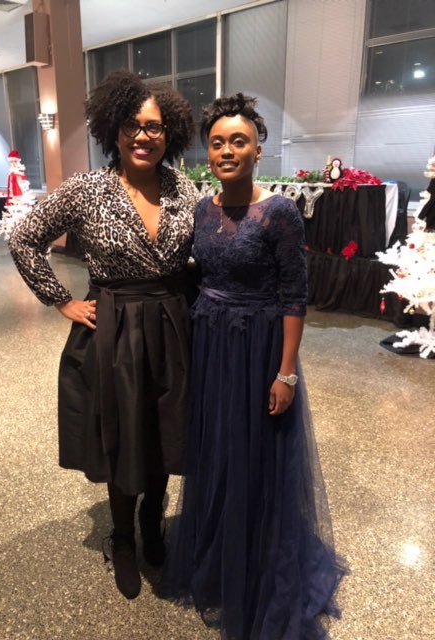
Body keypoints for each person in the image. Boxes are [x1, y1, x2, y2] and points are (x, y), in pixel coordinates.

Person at [9, 71, 199, 601]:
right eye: (132, 125)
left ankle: (152, 525)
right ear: (113, 129)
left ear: (169, 134)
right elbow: (25, 238)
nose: (143, 136)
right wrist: (61, 300)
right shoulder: (87, 189)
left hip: (172, 323)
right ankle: (122, 536)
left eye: (154, 127)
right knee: (124, 431)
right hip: (115, 328)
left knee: (166, 429)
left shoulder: (183, 188)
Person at [164, 94, 346, 639]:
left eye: (238, 141)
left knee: (257, 455)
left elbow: (295, 296)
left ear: (258, 151)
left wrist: (286, 372)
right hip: (212, 344)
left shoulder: (280, 212)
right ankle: (221, 549)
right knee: (220, 449)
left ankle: (259, 560)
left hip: (260, 348)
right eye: (217, 142)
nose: (226, 151)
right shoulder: (202, 208)